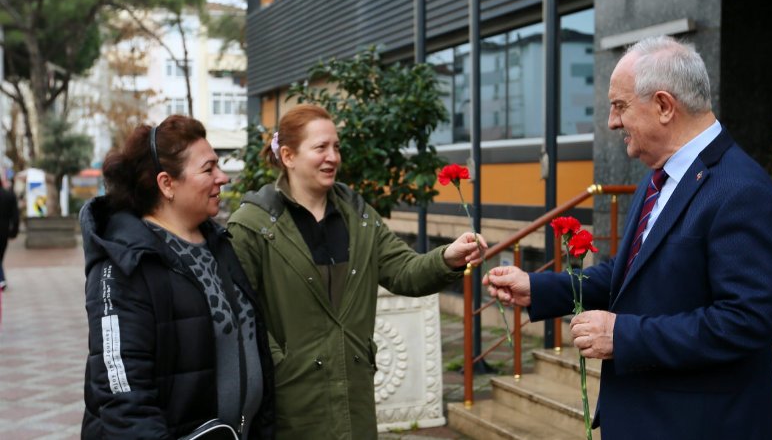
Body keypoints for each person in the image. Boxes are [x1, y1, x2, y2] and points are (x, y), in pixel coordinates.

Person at [484, 36, 772, 439]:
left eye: (620, 106)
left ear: (664, 106)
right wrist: (539, 289)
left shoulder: (741, 190)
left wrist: (622, 335)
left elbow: (747, 321)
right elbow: (631, 273)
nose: (612, 122)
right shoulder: (658, 178)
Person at [227, 104, 487, 438]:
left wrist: (448, 257)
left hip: (355, 397)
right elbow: (236, 315)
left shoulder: (359, 216)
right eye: (320, 148)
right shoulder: (253, 224)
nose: (332, 157)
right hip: (289, 402)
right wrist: (280, 362)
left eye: (336, 147)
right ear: (289, 156)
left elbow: (404, 270)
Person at [80, 115, 274, 439]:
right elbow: (124, 398)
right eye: (208, 169)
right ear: (167, 184)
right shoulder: (124, 266)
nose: (223, 178)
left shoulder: (219, 246)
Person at [0, 178, 18, 293]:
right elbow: (15, 217)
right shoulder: (9, 196)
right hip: (4, 231)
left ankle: (1, 279)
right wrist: (13, 232)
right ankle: (1, 279)